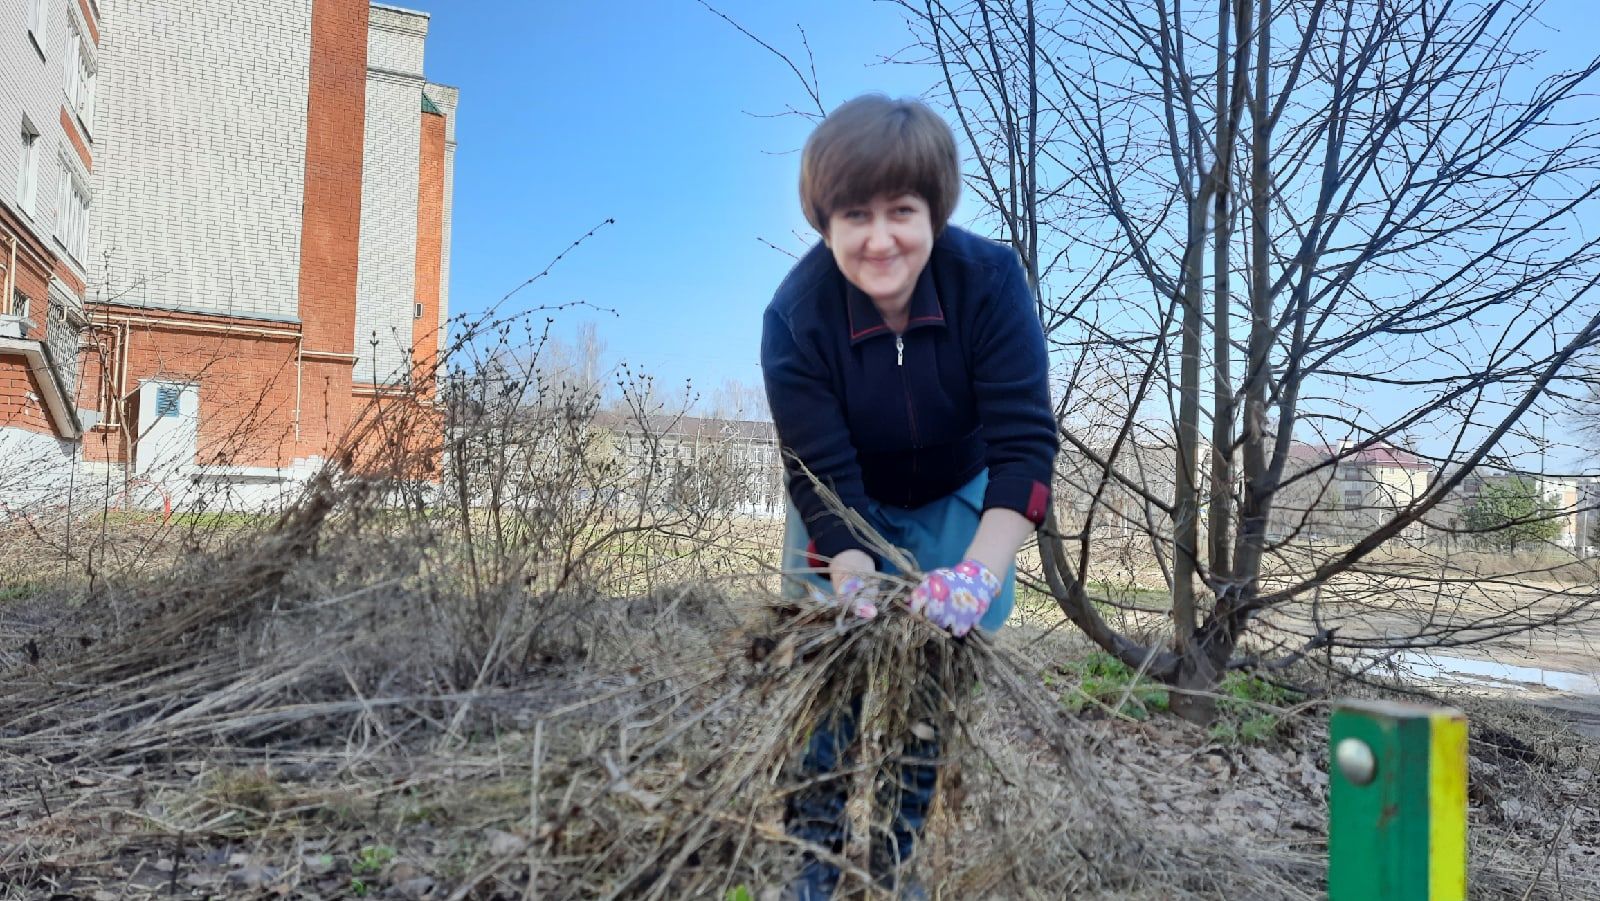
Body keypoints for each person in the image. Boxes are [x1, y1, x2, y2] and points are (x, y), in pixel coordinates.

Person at [761, 94, 1059, 899]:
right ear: (825, 220)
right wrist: (850, 572)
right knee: (831, 687)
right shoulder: (795, 318)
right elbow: (816, 472)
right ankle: (814, 866)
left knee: (925, 687)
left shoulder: (988, 282)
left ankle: (895, 866)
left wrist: (979, 573)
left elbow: (1024, 445)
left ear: (936, 210)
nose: (880, 237)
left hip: (957, 495)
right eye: (855, 213)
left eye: (902, 209)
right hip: (844, 499)